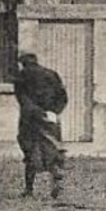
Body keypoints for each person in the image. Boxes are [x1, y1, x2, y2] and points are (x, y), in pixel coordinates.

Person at [12, 51, 68, 200]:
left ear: (22, 63)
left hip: (30, 119)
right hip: (51, 118)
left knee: (29, 151)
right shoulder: (52, 74)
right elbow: (63, 97)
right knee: (53, 148)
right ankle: (56, 177)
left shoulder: (21, 77)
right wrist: (53, 112)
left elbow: (23, 100)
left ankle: (29, 189)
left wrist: (36, 113)